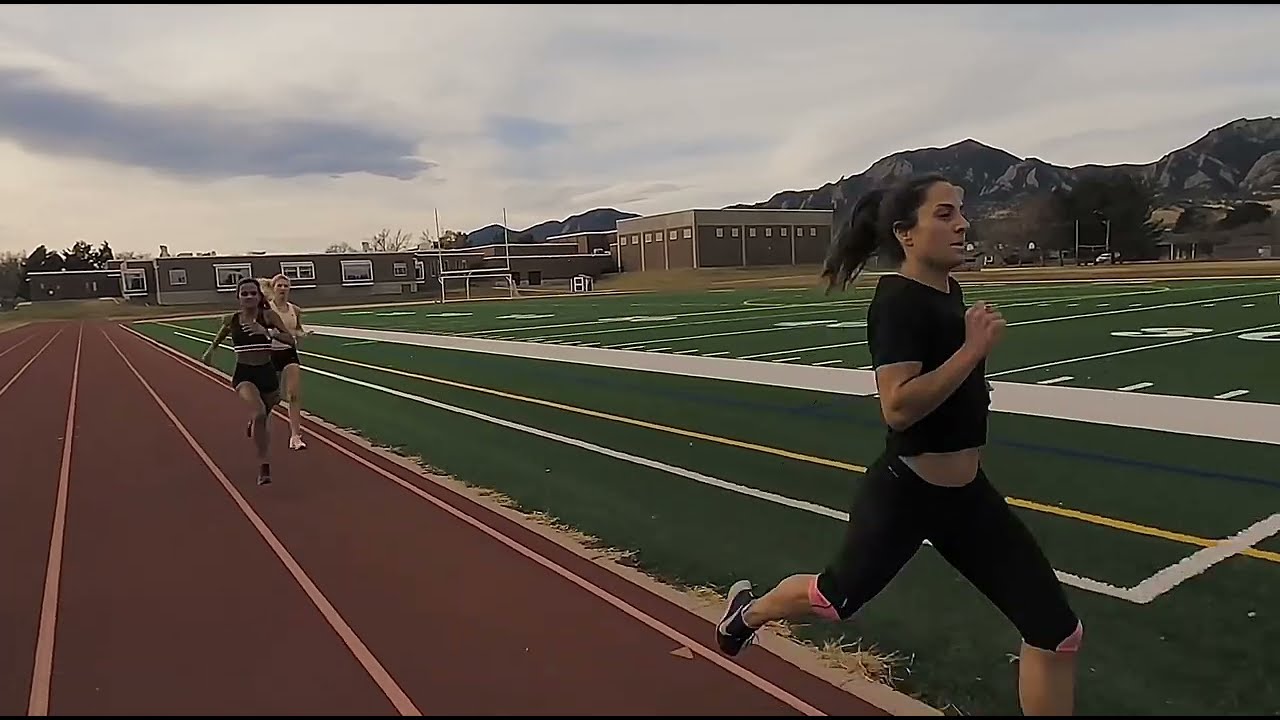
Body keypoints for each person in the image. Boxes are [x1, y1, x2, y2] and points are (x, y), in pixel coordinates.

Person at [714, 174, 1081, 716]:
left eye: (961, 211)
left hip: (967, 498)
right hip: (907, 493)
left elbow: (944, 382)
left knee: (1057, 632)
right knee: (832, 601)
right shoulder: (896, 303)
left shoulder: (949, 292)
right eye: (944, 214)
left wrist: (973, 383)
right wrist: (973, 351)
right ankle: (744, 616)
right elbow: (899, 406)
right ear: (906, 234)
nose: (962, 224)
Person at [201, 276, 296, 485]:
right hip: (244, 375)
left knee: (266, 410)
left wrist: (267, 332)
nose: (249, 296)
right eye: (244, 293)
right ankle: (264, 466)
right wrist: (211, 350)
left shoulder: (268, 316)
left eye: (253, 293)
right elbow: (223, 333)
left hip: (267, 373)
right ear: (238, 297)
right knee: (261, 413)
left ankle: (255, 420)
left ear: (259, 296)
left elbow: (290, 340)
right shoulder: (232, 318)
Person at [266, 273, 309, 451]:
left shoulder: (295, 310)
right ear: (273, 288)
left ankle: (295, 436)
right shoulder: (266, 309)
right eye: (280, 286)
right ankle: (261, 422)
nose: (283, 289)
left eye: (286, 286)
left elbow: (297, 329)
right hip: (271, 353)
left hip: (289, 353)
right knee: (272, 397)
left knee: (293, 395)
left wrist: (304, 334)